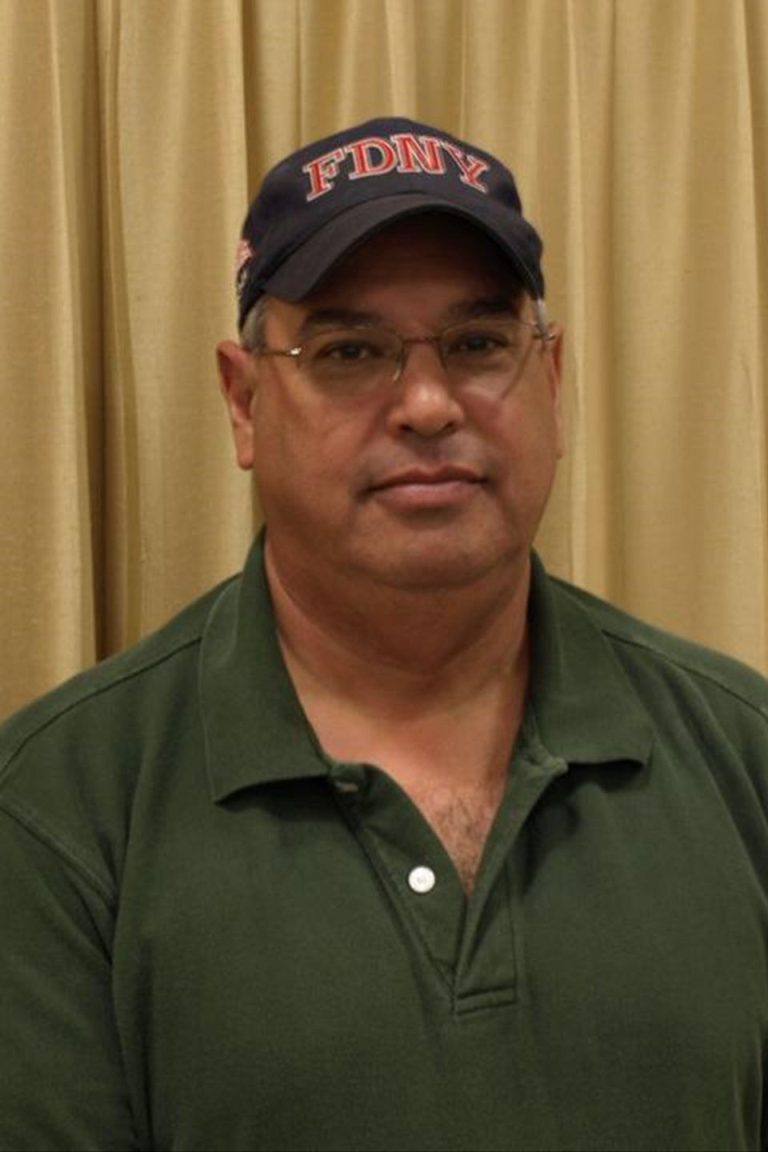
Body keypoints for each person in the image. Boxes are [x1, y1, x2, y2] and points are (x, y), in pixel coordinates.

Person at [1, 116, 767, 1152]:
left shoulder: (743, 753)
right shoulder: (58, 806)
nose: (426, 402)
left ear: (550, 379)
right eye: (350, 350)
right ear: (243, 400)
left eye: (478, 344)